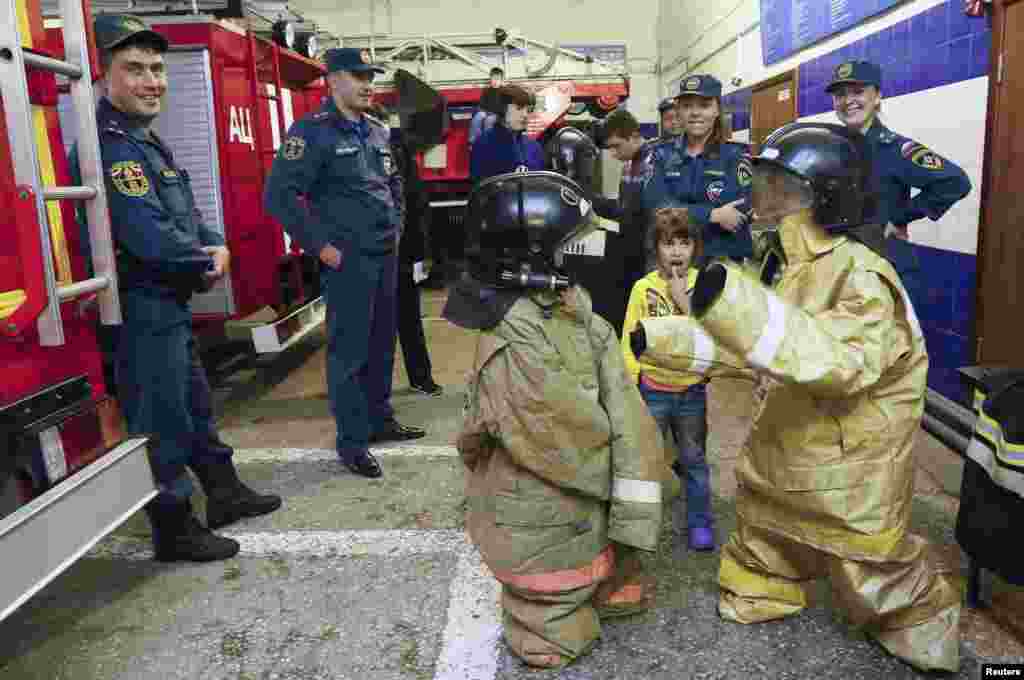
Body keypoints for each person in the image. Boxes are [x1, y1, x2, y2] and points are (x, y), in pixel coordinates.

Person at [630, 122, 961, 672]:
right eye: (764, 179)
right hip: (787, 434)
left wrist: (735, 307)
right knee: (766, 523)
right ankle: (766, 587)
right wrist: (661, 340)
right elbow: (753, 343)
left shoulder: (860, 275)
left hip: (849, 455)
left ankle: (919, 625)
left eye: (782, 186)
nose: (763, 194)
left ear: (823, 196)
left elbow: (839, 362)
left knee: (865, 551)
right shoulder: (788, 261)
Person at [444, 170, 668, 669]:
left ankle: (602, 576)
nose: (579, 254)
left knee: (588, 537)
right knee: (556, 625)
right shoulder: (513, 337)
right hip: (540, 522)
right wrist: (628, 477)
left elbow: (613, 397)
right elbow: (565, 440)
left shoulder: (563, 307)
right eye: (568, 245)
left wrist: (637, 471)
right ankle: (551, 621)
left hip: (571, 515)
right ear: (532, 256)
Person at [78, 14, 281, 562]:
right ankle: (174, 527)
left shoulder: (150, 143)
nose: (153, 81)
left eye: (158, 69)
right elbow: (148, 236)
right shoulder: (112, 148)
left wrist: (214, 242)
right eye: (135, 69)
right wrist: (206, 260)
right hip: (141, 307)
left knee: (194, 407)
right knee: (162, 420)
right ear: (102, 74)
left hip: (169, 303)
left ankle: (224, 492)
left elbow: (187, 214)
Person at [264, 48, 426, 480]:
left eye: (370, 75)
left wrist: (397, 228)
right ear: (332, 80)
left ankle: (379, 420)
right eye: (357, 75)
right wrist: (321, 248)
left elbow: (394, 185)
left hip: (384, 254)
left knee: (380, 345)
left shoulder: (375, 131)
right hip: (348, 260)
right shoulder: (312, 133)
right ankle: (352, 442)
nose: (367, 83)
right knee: (349, 353)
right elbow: (279, 196)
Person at [825, 60, 970, 281]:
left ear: (877, 97)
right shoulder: (831, 149)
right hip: (841, 264)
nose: (848, 101)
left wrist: (900, 218)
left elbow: (955, 181)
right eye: (840, 95)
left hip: (883, 265)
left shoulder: (894, 148)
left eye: (858, 92)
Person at [622, 207, 715, 551]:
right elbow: (629, 337)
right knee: (646, 459)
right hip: (653, 390)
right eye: (668, 243)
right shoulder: (641, 288)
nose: (676, 251)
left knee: (694, 461)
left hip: (691, 390)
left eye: (684, 243)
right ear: (656, 247)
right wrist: (632, 380)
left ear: (695, 247)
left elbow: (712, 333)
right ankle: (639, 527)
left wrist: (683, 301)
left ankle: (700, 524)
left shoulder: (703, 284)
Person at [643, 75, 753, 263]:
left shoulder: (736, 156)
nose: (695, 113)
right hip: (674, 263)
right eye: (687, 106)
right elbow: (657, 206)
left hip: (724, 263)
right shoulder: (660, 155)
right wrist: (712, 214)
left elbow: (738, 211)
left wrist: (679, 209)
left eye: (704, 105)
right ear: (678, 111)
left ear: (717, 109)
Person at [590, 109, 659, 333]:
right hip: (633, 247)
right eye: (610, 147)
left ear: (634, 136)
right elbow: (624, 209)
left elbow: (647, 213)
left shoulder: (655, 162)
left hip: (652, 252)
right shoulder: (629, 164)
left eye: (616, 146)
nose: (613, 153)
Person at [390, 125, 442, 396]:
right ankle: (421, 378)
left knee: (396, 321)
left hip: (396, 253)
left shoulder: (392, 155)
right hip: (401, 253)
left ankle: (417, 379)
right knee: (408, 320)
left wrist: (422, 253)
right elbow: (420, 207)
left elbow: (417, 207)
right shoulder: (403, 155)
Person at [469, 84, 545, 181]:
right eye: (519, 108)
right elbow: (480, 188)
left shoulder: (534, 147)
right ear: (502, 109)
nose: (525, 115)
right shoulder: (483, 144)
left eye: (529, 110)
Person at [468, 67, 504, 149]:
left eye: (497, 79)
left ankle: (487, 142)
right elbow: (481, 105)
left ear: (501, 80)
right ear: (490, 79)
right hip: (486, 112)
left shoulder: (504, 91)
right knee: (478, 116)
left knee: (489, 120)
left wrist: (493, 113)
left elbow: (504, 108)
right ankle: (473, 141)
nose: (495, 81)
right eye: (493, 79)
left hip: (497, 115)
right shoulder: (486, 91)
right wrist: (483, 112)